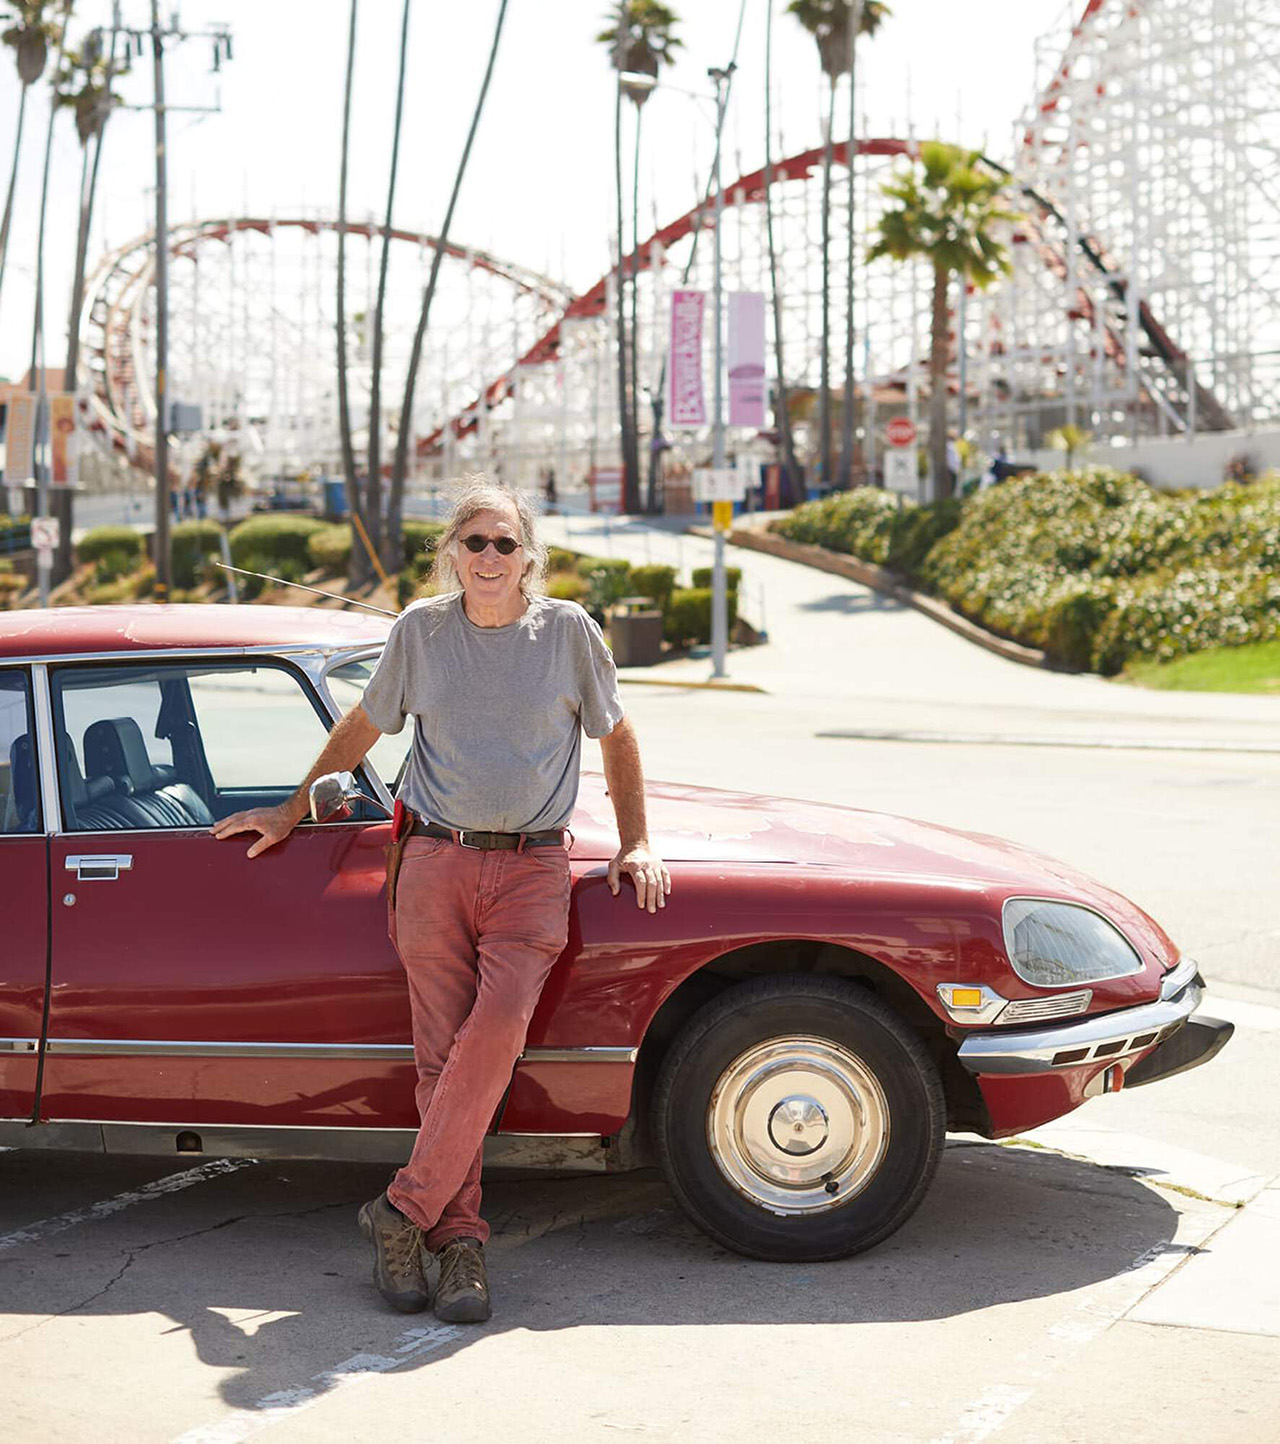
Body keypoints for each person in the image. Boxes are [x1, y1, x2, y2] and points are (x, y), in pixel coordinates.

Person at [210, 476, 670, 1324]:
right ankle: (455, 1249)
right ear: (451, 555)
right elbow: (366, 724)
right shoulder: (420, 632)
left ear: (528, 556)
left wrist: (638, 839)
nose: (488, 556)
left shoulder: (567, 631)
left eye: (504, 543)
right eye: (473, 542)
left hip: (533, 872)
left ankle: (401, 1210)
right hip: (432, 864)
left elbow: (619, 733)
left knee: (492, 1038)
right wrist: (290, 802)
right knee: (441, 1064)